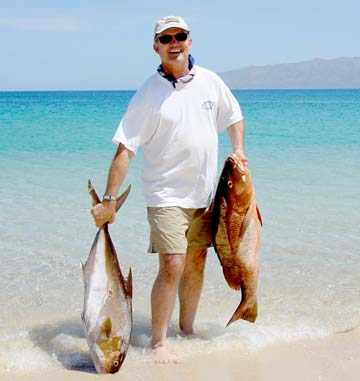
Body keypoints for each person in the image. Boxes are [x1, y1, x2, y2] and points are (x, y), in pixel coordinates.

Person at [91, 15, 248, 364]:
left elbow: (234, 117)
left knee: (196, 263)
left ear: (190, 41)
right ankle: (158, 342)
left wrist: (238, 150)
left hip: (207, 195)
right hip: (165, 196)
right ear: (156, 46)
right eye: (166, 38)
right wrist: (109, 199)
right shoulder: (149, 93)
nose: (174, 43)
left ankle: (186, 329)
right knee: (173, 263)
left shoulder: (210, 81)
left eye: (180, 36)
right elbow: (125, 148)